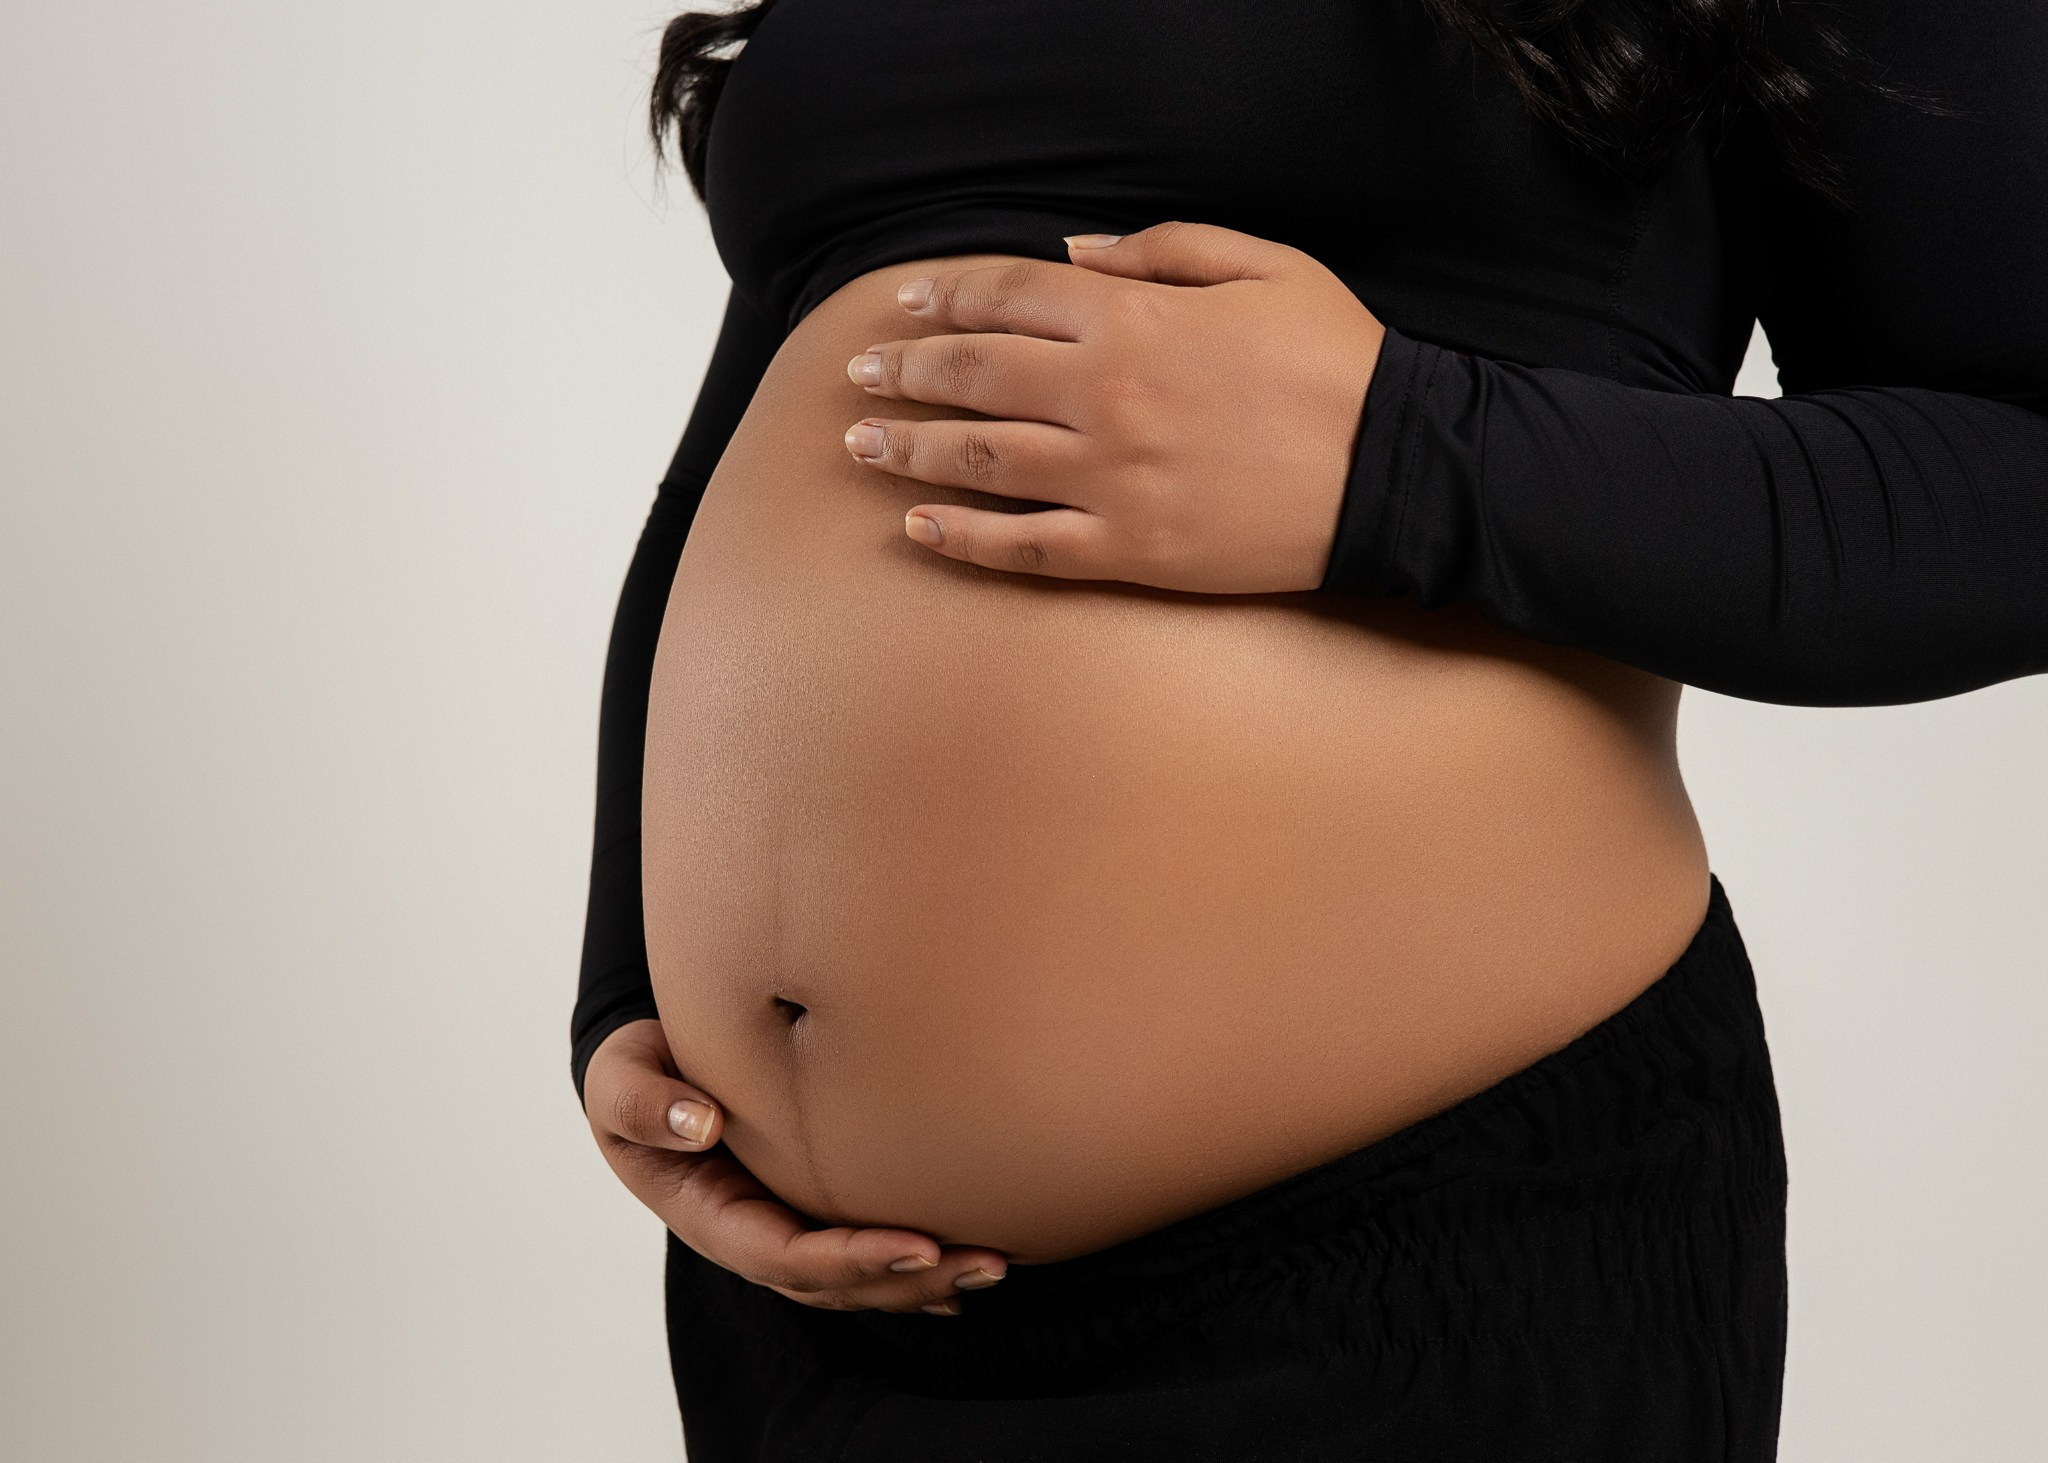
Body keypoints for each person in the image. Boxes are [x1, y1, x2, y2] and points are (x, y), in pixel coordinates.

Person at [574, 0, 2047, 1457]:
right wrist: (627, 989)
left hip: (1418, 1266)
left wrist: (1405, 450)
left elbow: (2014, 480)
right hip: (814, 1314)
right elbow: (742, 441)